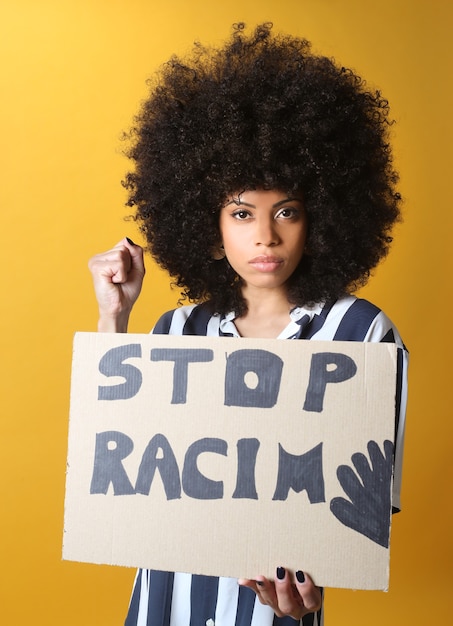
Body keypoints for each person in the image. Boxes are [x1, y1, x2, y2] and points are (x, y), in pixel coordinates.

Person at [88, 23, 408, 626]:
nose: (266, 234)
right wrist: (116, 315)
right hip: (163, 604)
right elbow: (119, 468)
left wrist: (307, 591)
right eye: (242, 213)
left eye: (287, 210)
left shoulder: (362, 334)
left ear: (322, 218)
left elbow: (361, 509)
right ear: (209, 224)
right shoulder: (174, 331)